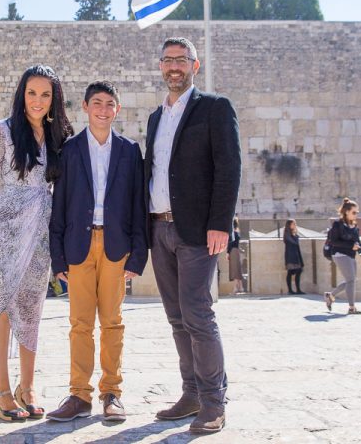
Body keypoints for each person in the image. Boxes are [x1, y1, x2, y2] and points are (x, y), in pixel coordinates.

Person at [144, 37, 241, 435]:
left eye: (181, 60)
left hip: (199, 230)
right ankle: (191, 394)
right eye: (168, 60)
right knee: (176, 317)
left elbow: (229, 166)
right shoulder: (155, 117)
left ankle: (214, 401)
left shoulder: (214, 108)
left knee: (198, 314)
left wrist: (221, 221)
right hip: (159, 227)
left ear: (195, 66)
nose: (174, 67)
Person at [0, 65, 73, 422]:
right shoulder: (2, 131)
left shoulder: (59, 136)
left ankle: (27, 386)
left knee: (32, 306)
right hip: (5, 228)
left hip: (42, 230)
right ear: (22, 94)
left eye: (45, 94)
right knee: (2, 302)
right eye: (32, 93)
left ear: (54, 99)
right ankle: (1, 388)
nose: (37, 100)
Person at [47, 81, 148, 422]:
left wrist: (138, 253)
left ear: (117, 109)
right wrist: (57, 256)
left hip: (116, 246)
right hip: (78, 247)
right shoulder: (69, 150)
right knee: (79, 323)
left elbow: (138, 203)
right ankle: (79, 395)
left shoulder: (130, 151)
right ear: (86, 108)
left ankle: (112, 393)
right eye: (97, 103)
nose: (103, 109)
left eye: (109, 104)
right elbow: (58, 205)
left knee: (113, 322)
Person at [324, 198, 361, 314]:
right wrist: (350, 246)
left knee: (351, 281)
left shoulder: (355, 226)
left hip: (350, 255)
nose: (356, 215)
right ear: (346, 212)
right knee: (351, 280)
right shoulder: (338, 225)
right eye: (354, 212)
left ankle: (330, 296)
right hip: (339, 254)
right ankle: (351, 308)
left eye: (357, 213)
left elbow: (358, 243)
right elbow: (334, 241)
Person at [283, 219, 305, 295]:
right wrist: (296, 237)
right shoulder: (287, 233)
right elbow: (294, 242)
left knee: (299, 271)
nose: (294, 225)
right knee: (290, 272)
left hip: (296, 254)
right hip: (291, 255)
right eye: (293, 224)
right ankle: (290, 290)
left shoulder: (293, 233)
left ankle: (298, 289)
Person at [227, 217, 244, 294]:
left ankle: (236, 288)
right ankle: (240, 287)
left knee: (234, 269)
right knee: (237, 269)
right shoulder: (237, 232)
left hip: (233, 251)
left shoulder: (233, 233)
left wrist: (227, 253)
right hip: (237, 251)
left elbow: (230, 244)